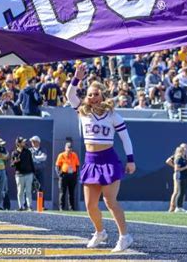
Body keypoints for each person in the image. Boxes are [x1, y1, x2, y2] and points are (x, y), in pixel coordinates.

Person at [67, 64, 136, 252]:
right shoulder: (83, 111)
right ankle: (100, 232)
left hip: (108, 159)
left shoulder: (113, 115)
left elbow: (125, 139)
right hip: (91, 160)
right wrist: (77, 78)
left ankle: (124, 236)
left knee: (110, 201)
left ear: (103, 95)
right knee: (90, 205)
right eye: (89, 94)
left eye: (96, 94)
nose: (92, 97)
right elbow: (70, 96)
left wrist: (130, 160)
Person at [11, 137, 35, 211]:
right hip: (19, 175)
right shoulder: (14, 153)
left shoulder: (28, 151)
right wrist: (15, 161)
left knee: (28, 191)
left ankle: (29, 206)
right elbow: (11, 165)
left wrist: (33, 173)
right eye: (23, 142)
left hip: (29, 174)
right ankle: (21, 206)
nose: (24, 143)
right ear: (19, 143)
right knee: (20, 191)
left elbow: (31, 163)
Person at [55, 142, 80, 211]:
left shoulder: (74, 155)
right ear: (65, 148)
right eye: (68, 147)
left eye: (70, 148)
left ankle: (71, 208)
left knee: (71, 193)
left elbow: (77, 165)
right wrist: (59, 175)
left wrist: (76, 173)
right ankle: (61, 208)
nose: (69, 149)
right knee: (62, 192)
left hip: (72, 175)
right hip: (64, 175)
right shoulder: (61, 155)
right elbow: (57, 166)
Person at [173, 146, 187, 212]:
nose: (185, 152)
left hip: (185, 176)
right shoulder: (178, 159)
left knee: (183, 192)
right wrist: (186, 167)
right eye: (184, 151)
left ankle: (180, 207)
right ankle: (177, 207)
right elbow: (176, 169)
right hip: (180, 177)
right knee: (180, 192)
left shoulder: (184, 159)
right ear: (180, 151)